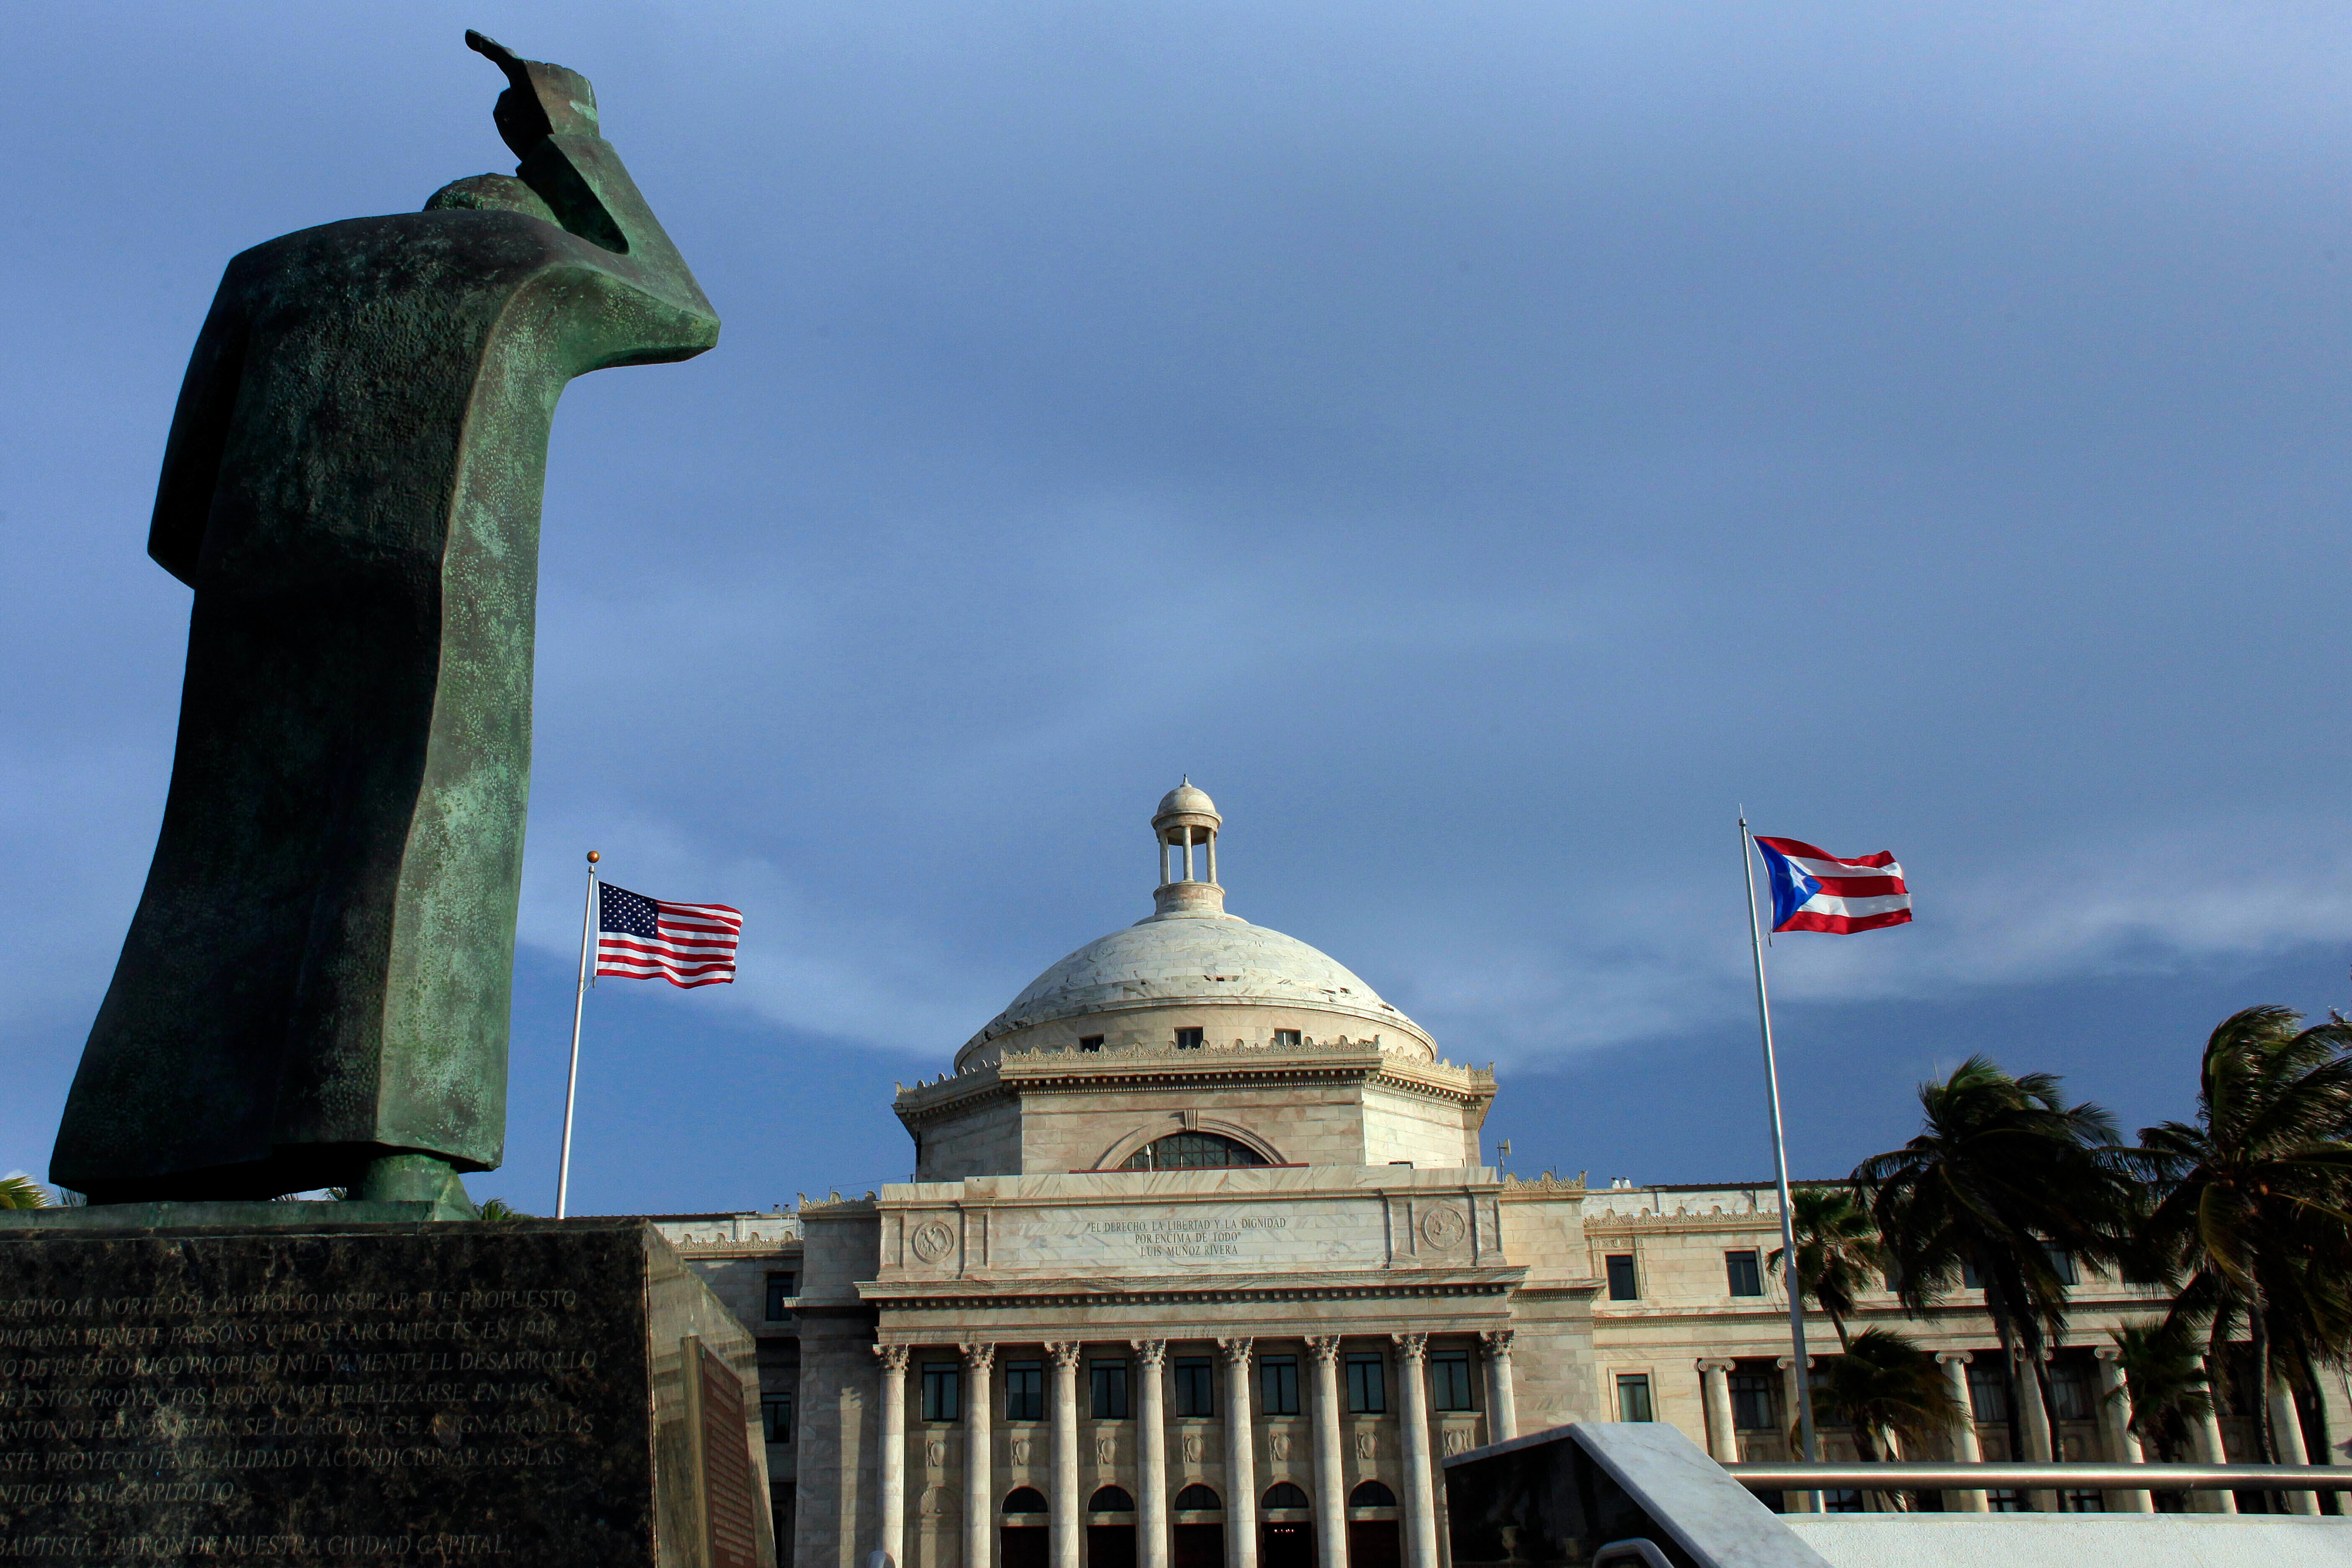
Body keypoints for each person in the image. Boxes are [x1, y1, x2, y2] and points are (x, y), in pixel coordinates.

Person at [54, 34, 721, 1208]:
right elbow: (684, 310)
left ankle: (154, 1148)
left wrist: (272, 574)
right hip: (446, 583)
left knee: (219, 848)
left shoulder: (268, 271)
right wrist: (570, 139)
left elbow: (176, 516)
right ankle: (401, 1155)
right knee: (427, 830)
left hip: (255, 592)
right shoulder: (526, 264)